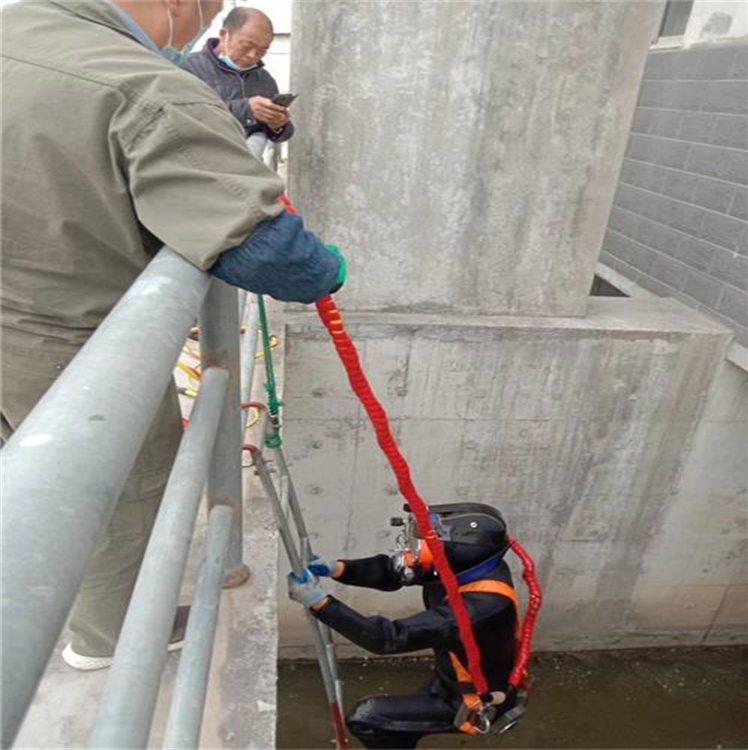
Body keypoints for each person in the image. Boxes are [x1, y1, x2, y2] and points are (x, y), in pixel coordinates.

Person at [1, 0, 343, 671]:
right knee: (115, 484)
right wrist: (329, 269)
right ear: (179, 7)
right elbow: (268, 255)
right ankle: (108, 638)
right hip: (64, 334)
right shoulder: (143, 82)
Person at [288, 503, 521, 749]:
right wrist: (338, 568)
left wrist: (320, 603)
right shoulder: (464, 566)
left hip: (474, 700)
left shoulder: (481, 606)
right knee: (400, 724)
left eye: (428, 543)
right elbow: (393, 572)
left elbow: (389, 638)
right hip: (453, 674)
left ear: (459, 550)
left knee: (368, 718)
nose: (416, 549)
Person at [183, 7, 293, 142]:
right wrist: (245, 110)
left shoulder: (264, 79)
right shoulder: (188, 68)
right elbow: (184, 116)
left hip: (248, 158)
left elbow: (280, 134)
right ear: (224, 35)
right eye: (246, 46)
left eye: (263, 50)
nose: (253, 55)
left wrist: (278, 125)